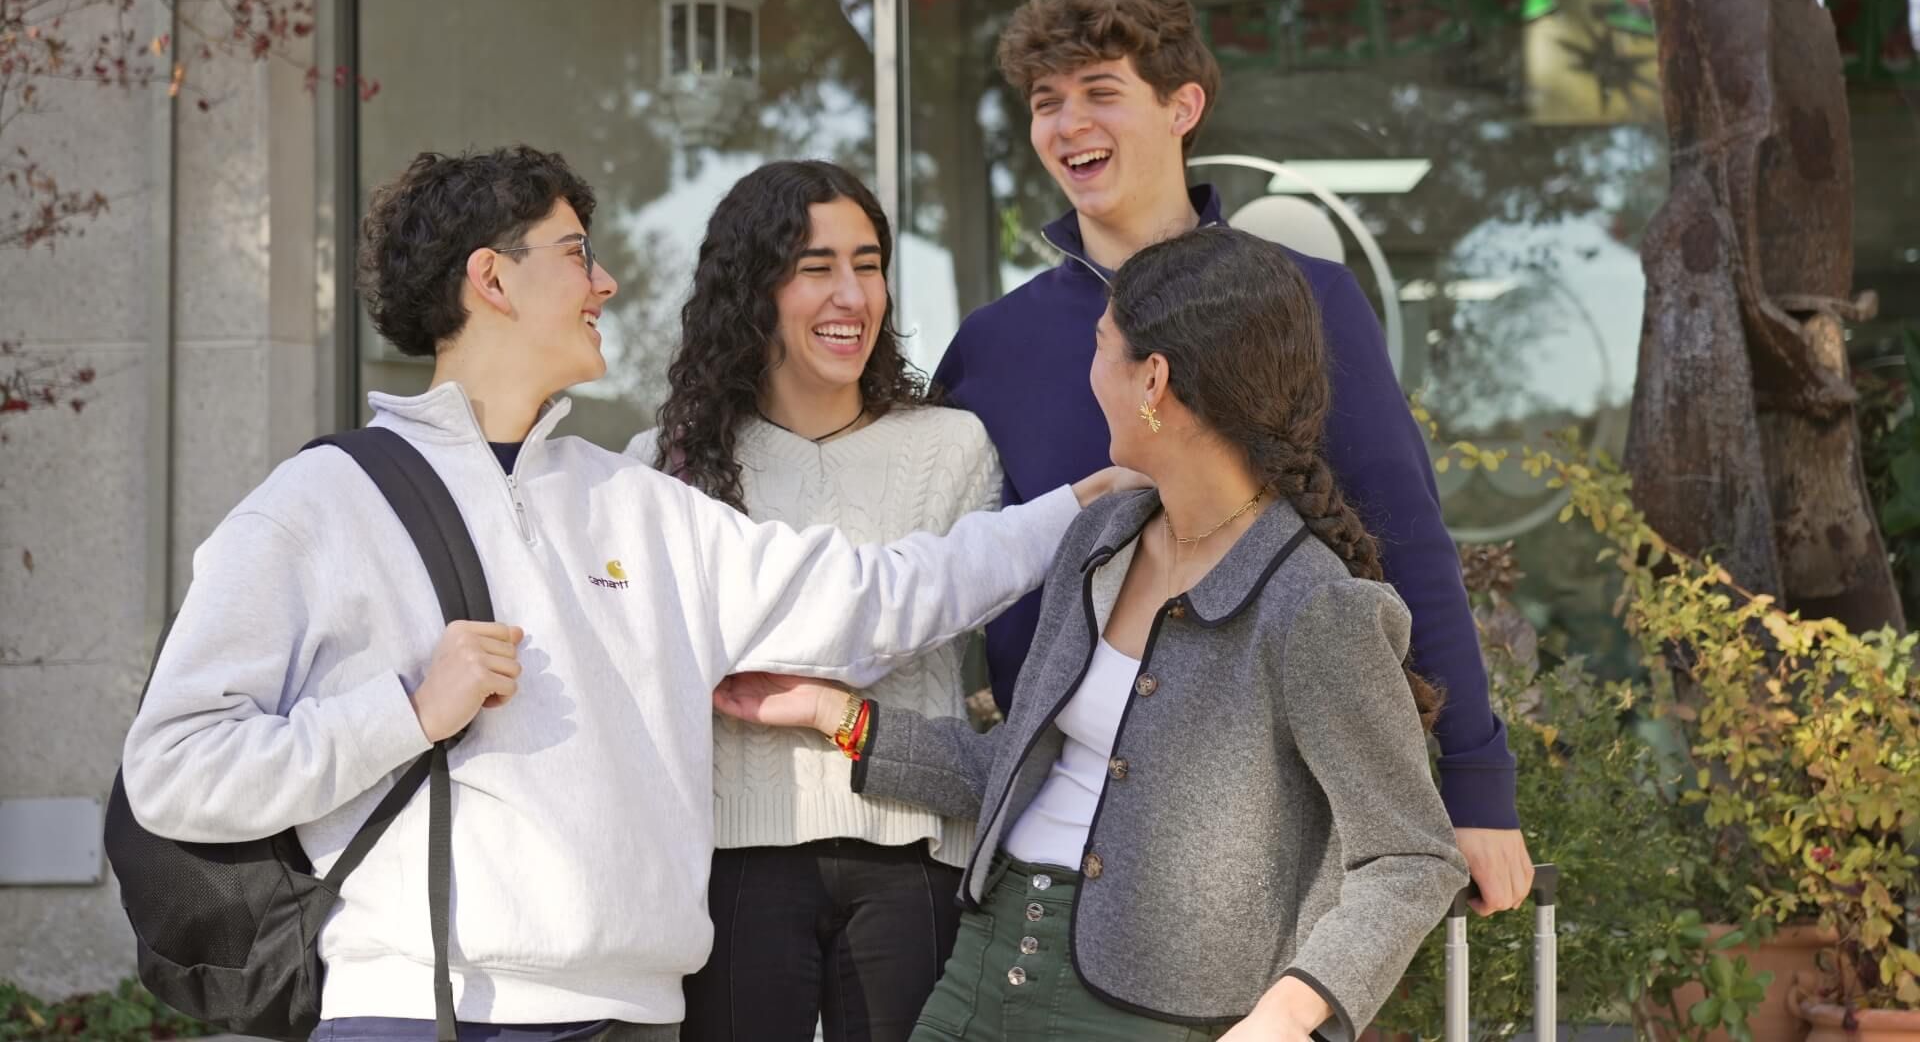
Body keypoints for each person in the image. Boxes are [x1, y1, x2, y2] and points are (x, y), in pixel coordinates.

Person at [119, 145, 1138, 1042]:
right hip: (424, 1009)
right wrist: (405, 714)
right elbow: (174, 766)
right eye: (576, 254)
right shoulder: (321, 504)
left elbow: (874, 599)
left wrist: (1078, 508)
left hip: (637, 1015)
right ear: (491, 279)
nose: (605, 282)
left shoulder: (637, 502)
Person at [715, 225, 1469, 1042]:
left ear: (1154, 379)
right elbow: (1018, 768)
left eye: (1102, 347)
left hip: (1156, 1016)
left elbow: (1411, 857)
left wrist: (1284, 1017)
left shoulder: (1313, 603)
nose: (1089, 373)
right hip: (982, 971)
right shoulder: (1101, 540)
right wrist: (835, 715)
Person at [929, 0, 1533, 913]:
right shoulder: (992, 346)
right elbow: (950, 574)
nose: (1068, 123)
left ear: (1183, 107)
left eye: (1099, 91)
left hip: (1263, 840)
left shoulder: (1309, 302)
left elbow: (1406, 540)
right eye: (1047, 101)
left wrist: (1476, 785)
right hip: (1047, 844)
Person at [626, 160, 997, 1042]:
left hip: (915, 856)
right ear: (752, 291)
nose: (851, 296)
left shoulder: (953, 448)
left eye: (868, 265)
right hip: (733, 861)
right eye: (815, 267)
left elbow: (1005, 667)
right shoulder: (664, 467)